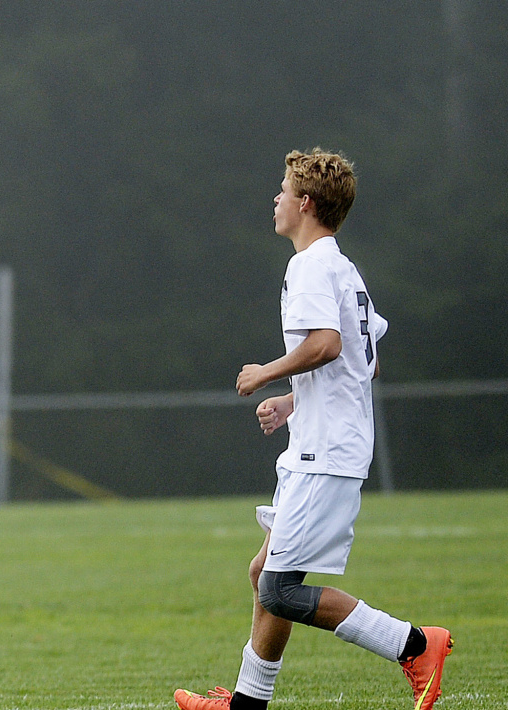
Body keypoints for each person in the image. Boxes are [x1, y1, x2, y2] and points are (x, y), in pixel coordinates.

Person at [173, 149, 452, 710]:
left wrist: (265, 373)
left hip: (325, 455)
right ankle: (247, 703)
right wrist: (293, 403)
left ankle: (417, 644)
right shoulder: (342, 267)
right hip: (321, 444)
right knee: (265, 573)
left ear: (305, 203)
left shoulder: (311, 266)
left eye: (282, 190)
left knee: (279, 589)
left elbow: (326, 344)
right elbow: (361, 362)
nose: (274, 199)